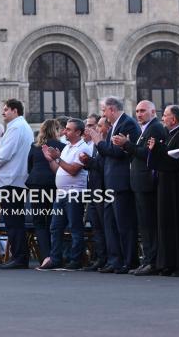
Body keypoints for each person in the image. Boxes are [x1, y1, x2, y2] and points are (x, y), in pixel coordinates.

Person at [87, 96, 141, 274]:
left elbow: (118, 152)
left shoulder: (127, 124)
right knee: (110, 225)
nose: (103, 114)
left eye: (104, 110)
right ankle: (114, 260)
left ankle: (129, 261)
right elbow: (108, 154)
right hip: (110, 183)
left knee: (124, 225)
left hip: (121, 182)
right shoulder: (115, 125)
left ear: (111, 109)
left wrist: (99, 142)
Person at [112, 100, 166, 276]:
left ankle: (152, 262)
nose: (139, 114)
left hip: (147, 183)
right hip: (139, 183)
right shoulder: (145, 128)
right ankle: (148, 260)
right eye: (137, 111)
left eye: (143, 111)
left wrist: (126, 145)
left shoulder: (155, 128)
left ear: (153, 112)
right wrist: (127, 146)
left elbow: (149, 154)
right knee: (144, 225)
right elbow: (138, 152)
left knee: (149, 225)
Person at [147, 105, 179, 276]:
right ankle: (167, 263)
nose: (162, 119)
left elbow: (176, 160)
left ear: (173, 119)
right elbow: (163, 156)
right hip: (165, 185)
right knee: (165, 224)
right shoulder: (169, 134)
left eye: (165, 115)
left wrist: (157, 149)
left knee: (177, 224)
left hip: (178, 187)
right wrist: (155, 149)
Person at [37, 118, 92, 271]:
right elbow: (59, 170)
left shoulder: (83, 148)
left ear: (78, 132)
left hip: (74, 193)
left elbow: (73, 170)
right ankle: (55, 259)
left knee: (74, 227)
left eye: (68, 129)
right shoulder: (67, 147)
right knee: (55, 227)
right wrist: (51, 160)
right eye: (65, 128)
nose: (64, 132)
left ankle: (75, 260)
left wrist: (57, 158)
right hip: (61, 193)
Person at [0, 99, 34, 269]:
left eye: (6, 109)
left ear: (15, 111)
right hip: (16, 179)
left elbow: (5, 153)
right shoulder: (23, 127)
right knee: (16, 220)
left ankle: (19, 257)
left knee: (13, 221)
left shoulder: (16, 127)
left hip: (10, 179)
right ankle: (20, 256)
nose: (3, 112)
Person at [26, 119, 65, 266]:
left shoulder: (35, 146)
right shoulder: (62, 146)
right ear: (56, 130)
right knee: (52, 220)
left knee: (39, 221)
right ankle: (55, 255)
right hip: (53, 185)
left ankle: (45, 256)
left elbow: (29, 166)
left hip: (36, 184)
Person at [79, 115, 108, 271]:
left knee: (104, 226)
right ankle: (99, 258)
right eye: (87, 126)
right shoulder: (91, 144)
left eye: (92, 125)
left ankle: (107, 259)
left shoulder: (102, 143)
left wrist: (88, 161)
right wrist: (86, 162)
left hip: (102, 189)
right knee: (96, 227)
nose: (88, 129)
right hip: (92, 189)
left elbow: (102, 165)